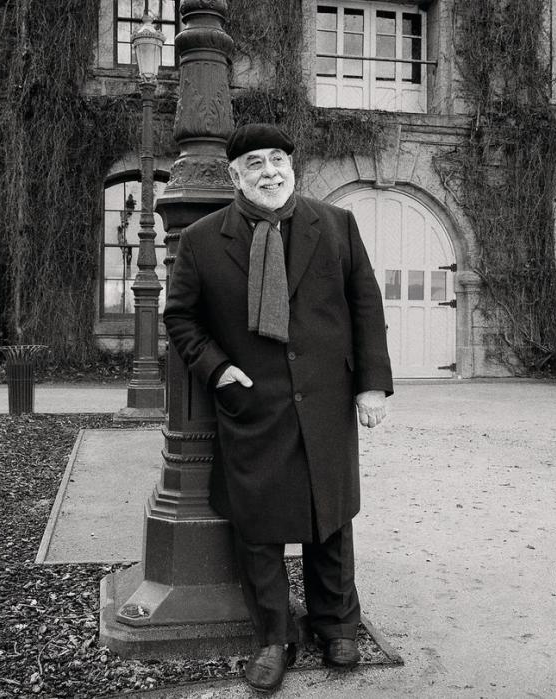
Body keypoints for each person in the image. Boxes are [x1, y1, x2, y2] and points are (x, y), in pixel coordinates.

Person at [163, 123, 393, 692]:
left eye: (277, 160)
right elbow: (181, 317)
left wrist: (371, 385)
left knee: (329, 517)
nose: (269, 171)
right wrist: (219, 370)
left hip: (326, 397)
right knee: (260, 526)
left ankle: (337, 623)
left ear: (292, 164)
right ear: (235, 175)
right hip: (251, 400)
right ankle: (273, 636)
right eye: (255, 164)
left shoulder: (335, 224)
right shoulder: (202, 238)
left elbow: (365, 305)